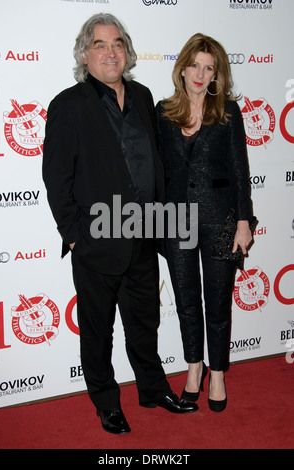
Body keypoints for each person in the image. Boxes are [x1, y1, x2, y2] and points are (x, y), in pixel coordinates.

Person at [42, 13, 198, 435]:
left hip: (144, 235)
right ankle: (106, 402)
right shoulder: (67, 105)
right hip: (96, 242)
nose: (110, 52)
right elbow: (57, 179)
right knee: (98, 332)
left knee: (145, 323)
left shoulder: (145, 96)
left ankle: (152, 389)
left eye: (116, 44)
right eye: (100, 45)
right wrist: (75, 237)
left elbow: (157, 163)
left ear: (126, 51)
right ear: (84, 54)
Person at [156, 33, 253, 412]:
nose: (200, 73)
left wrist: (243, 221)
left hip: (221, 218)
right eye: (194, 65)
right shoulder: (163, 113)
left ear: (217, 75)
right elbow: (157, 171)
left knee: (217, 302)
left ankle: (217, 373)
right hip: (176, 219)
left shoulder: (228, 111)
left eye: (208, 67)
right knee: (185, 302)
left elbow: (241, 171)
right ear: (182, 68)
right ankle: (193, 367)